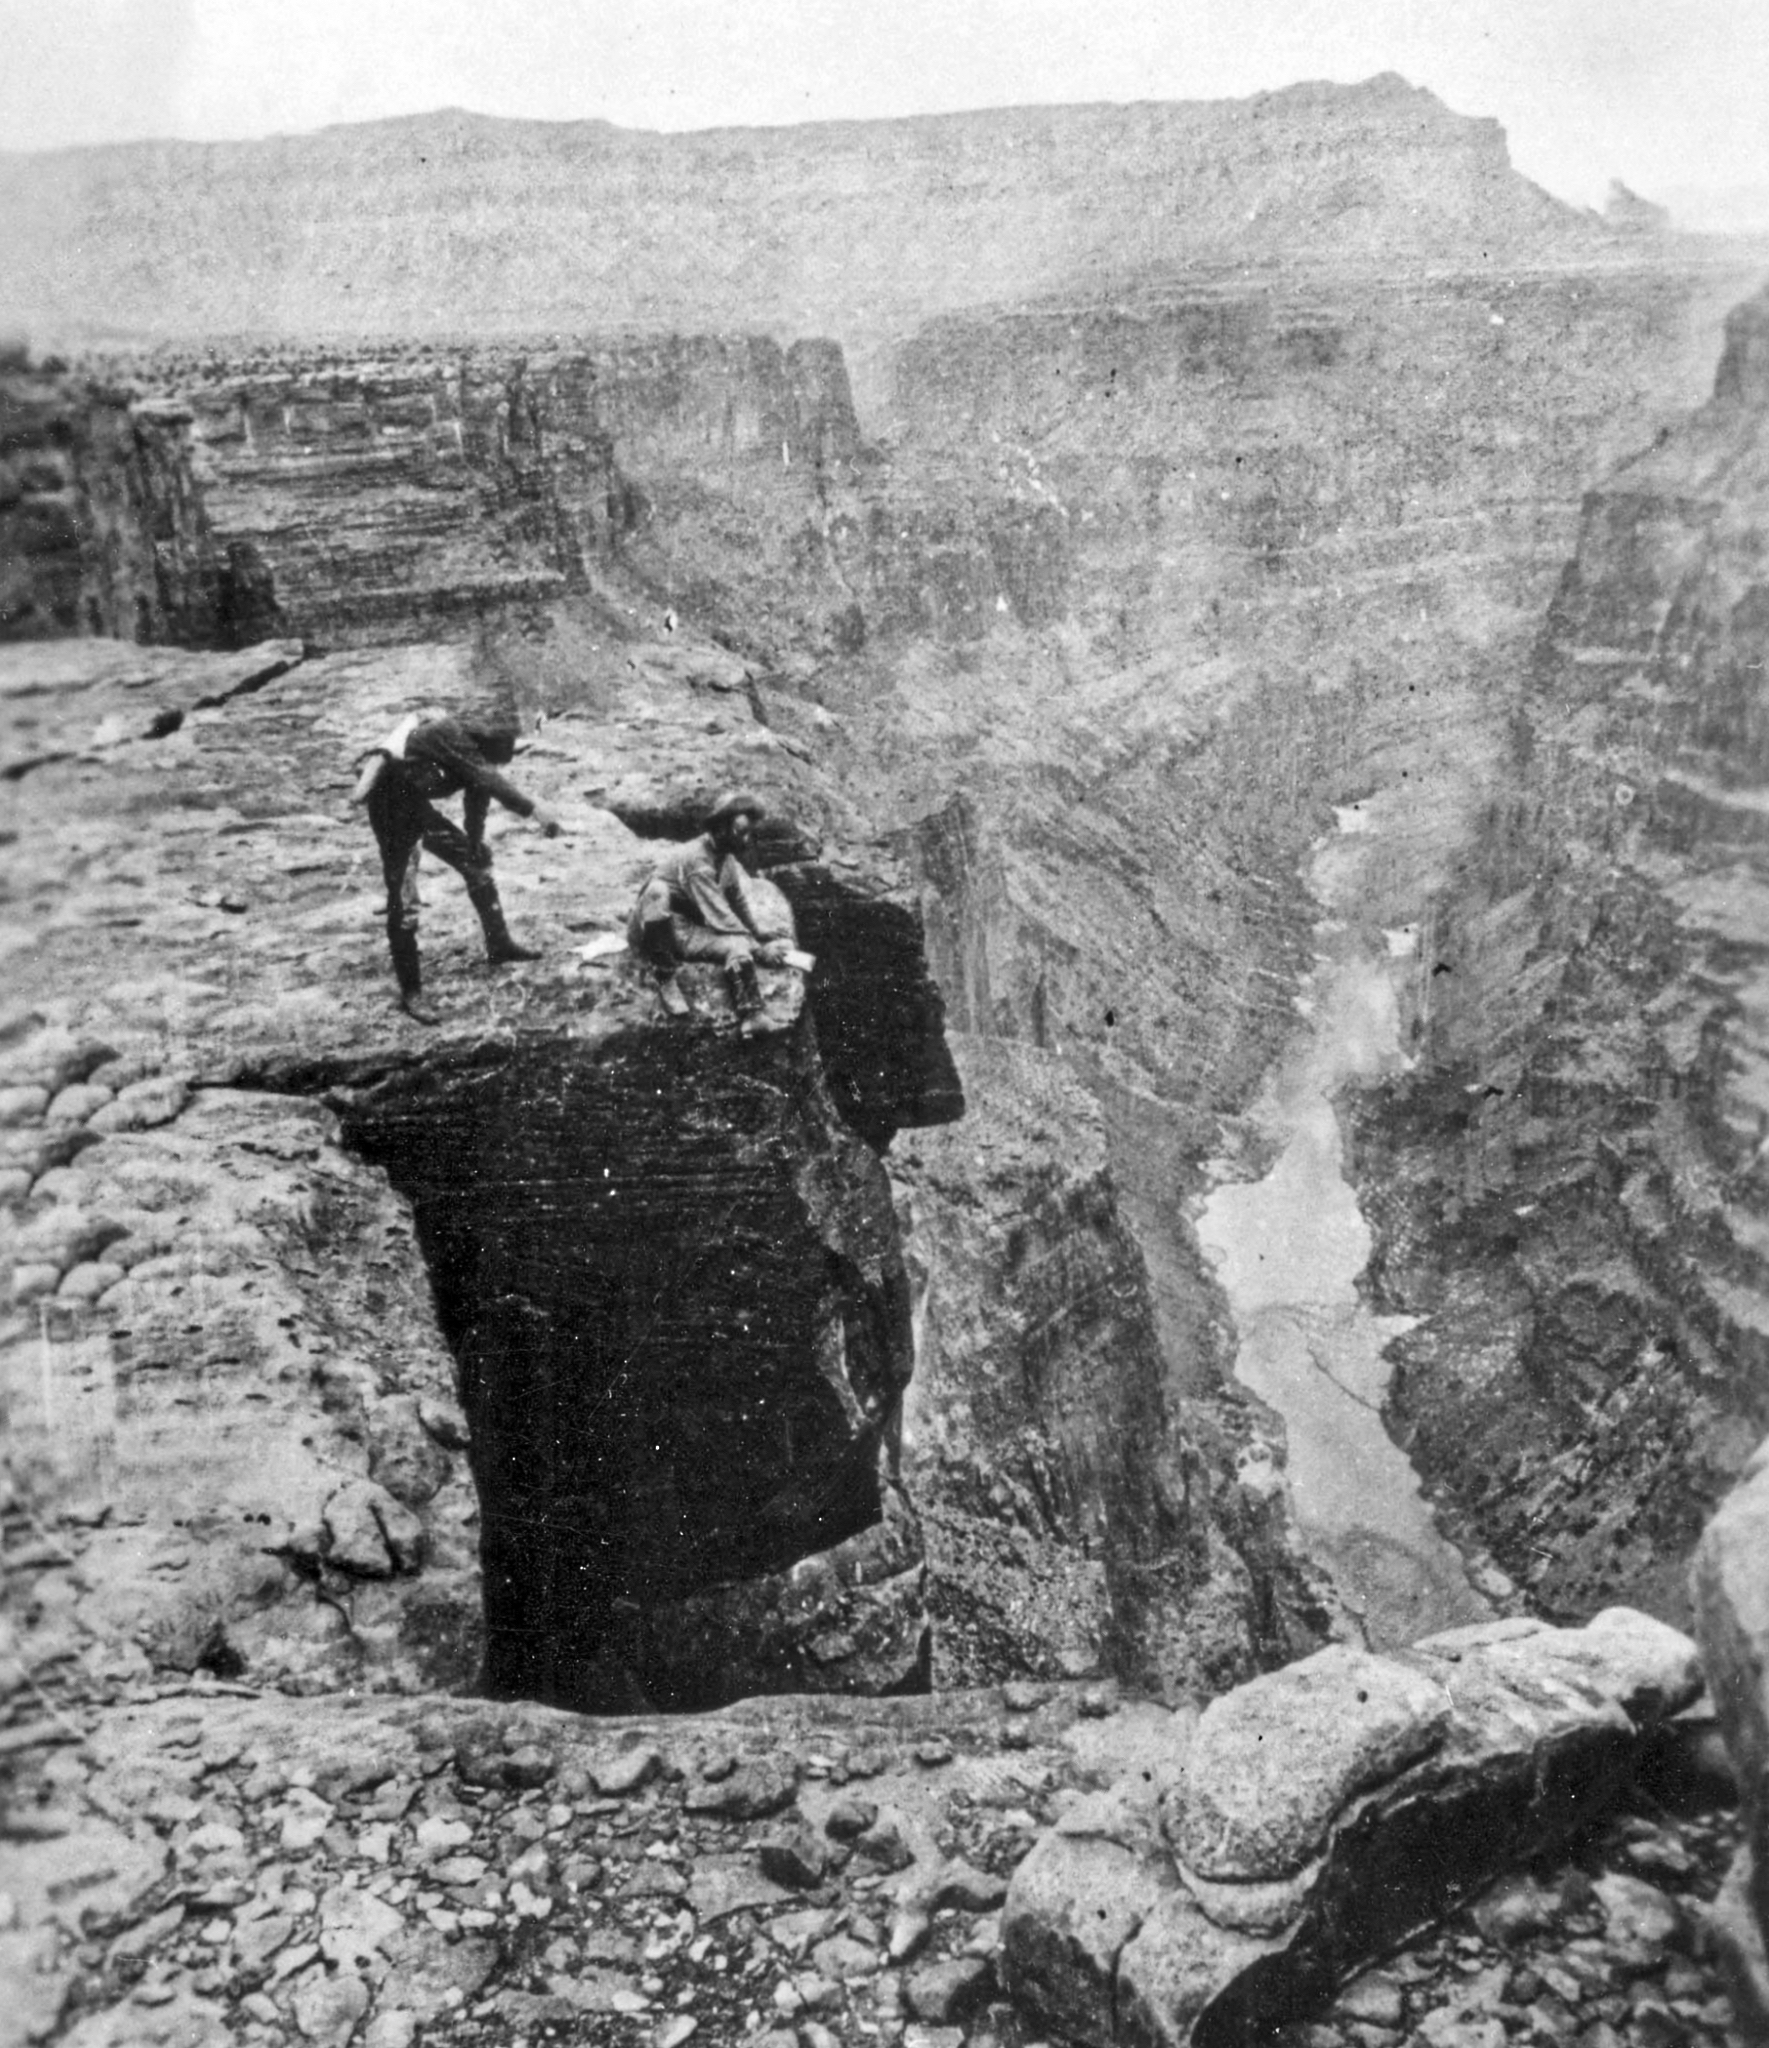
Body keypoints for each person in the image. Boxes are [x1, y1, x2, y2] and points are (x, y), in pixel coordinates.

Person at [354, 706, 563, 1023]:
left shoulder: (474, 752)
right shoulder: (450, 734)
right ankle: (412, 992)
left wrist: (476, 841)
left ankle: (499, 944)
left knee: (476, 863)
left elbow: (478, 793)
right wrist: (533, 810)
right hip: (391, 807)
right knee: (405, 900)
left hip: (415, 804)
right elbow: (487, 778)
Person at [626, 789, 793, 1019]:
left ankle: (753, 1017)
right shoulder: (698, 860)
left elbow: (737, 900)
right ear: (721, 829)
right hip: (655, 929)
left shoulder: (725, 859)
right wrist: (760, 950)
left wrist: (757, 931)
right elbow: (720, 914)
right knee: (658, 891)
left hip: (686, 931)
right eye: (740, 832)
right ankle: (665, 976)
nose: (746, 839)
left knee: (737, 946)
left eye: (748, 833)